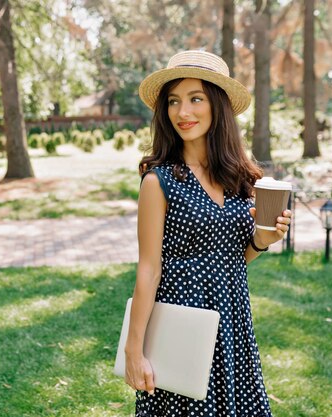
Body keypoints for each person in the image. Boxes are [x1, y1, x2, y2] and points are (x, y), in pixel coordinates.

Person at [124, 50, 292, 417]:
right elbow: (149, 270)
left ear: (218, 106)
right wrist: (133, 352)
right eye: (174, 101)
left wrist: (262, 241)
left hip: (232, 319)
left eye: (195, 99)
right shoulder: (159, 181)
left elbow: (233, 255)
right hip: (181, 322)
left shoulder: (242, 179)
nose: (183, 113)